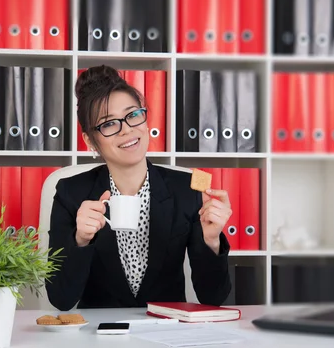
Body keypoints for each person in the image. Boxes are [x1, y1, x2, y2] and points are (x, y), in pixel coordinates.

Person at [45, 65, 233, 311]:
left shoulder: (186, 190)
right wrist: (81, 240)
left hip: (166, 329)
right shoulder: (71, 193)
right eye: (109, 124)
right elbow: (61, 300)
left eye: (133, 115)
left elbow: (214, 298)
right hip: (99, 335)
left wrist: (211, 241)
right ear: (90, 140)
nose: (127, 129)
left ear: (145, 121)